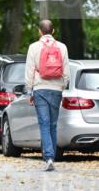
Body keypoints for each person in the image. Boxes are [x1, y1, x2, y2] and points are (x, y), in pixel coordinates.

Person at [24, 19, 70, 171]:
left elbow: (30, 70)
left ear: (39, 31)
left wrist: (30, 90)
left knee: (44, 123)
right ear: (53, 31)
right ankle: (52, 156)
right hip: (56, 89)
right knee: (53, 124)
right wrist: (61, 87)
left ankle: (49, 157)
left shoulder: (34, 47)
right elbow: (67, 72)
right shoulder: (62, 47)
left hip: (40, 89)